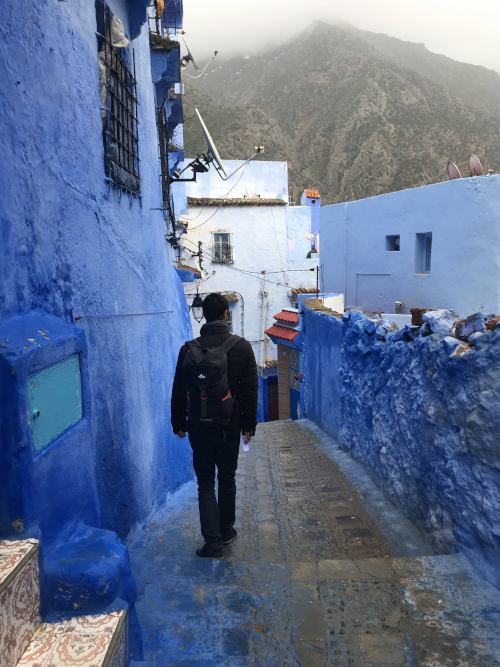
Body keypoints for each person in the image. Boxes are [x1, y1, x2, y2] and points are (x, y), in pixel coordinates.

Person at [171, 293, 258, 559]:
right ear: (224, 315)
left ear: (204, 316)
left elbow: (179, 389)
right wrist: (248, 425)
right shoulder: (242, 347)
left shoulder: (188, 349)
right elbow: (249, 391)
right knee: (227, 479)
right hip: (229, 426)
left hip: (198, 427)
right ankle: (227, 530)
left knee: (206, 484)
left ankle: (212, 543)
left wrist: (178, 422)